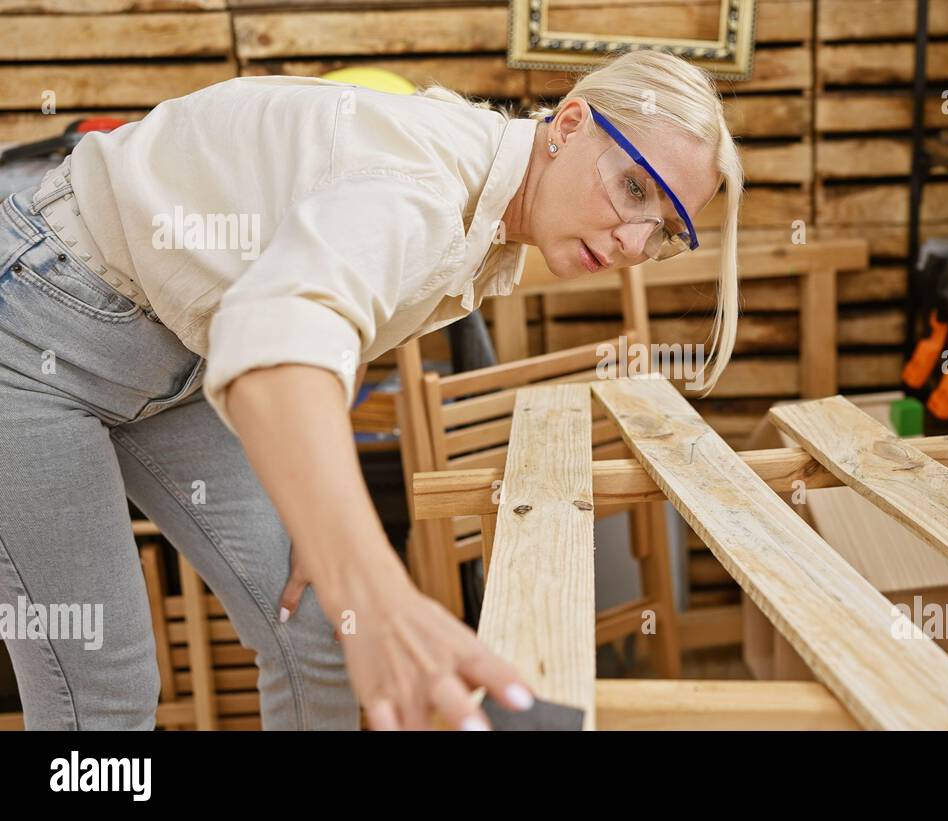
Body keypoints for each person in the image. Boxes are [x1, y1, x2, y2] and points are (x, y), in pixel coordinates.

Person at [0, 48, 743, 731]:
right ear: (572, 122)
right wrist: (380, 598)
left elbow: (339, 325)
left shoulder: (489, 208)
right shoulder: (422, 185)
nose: (634, 242)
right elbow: (276, 338)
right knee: (105, 687)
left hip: (179, 358)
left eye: (666, 230)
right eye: (634, 186)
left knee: (317, 625)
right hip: (33, 330)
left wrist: (323, 513)